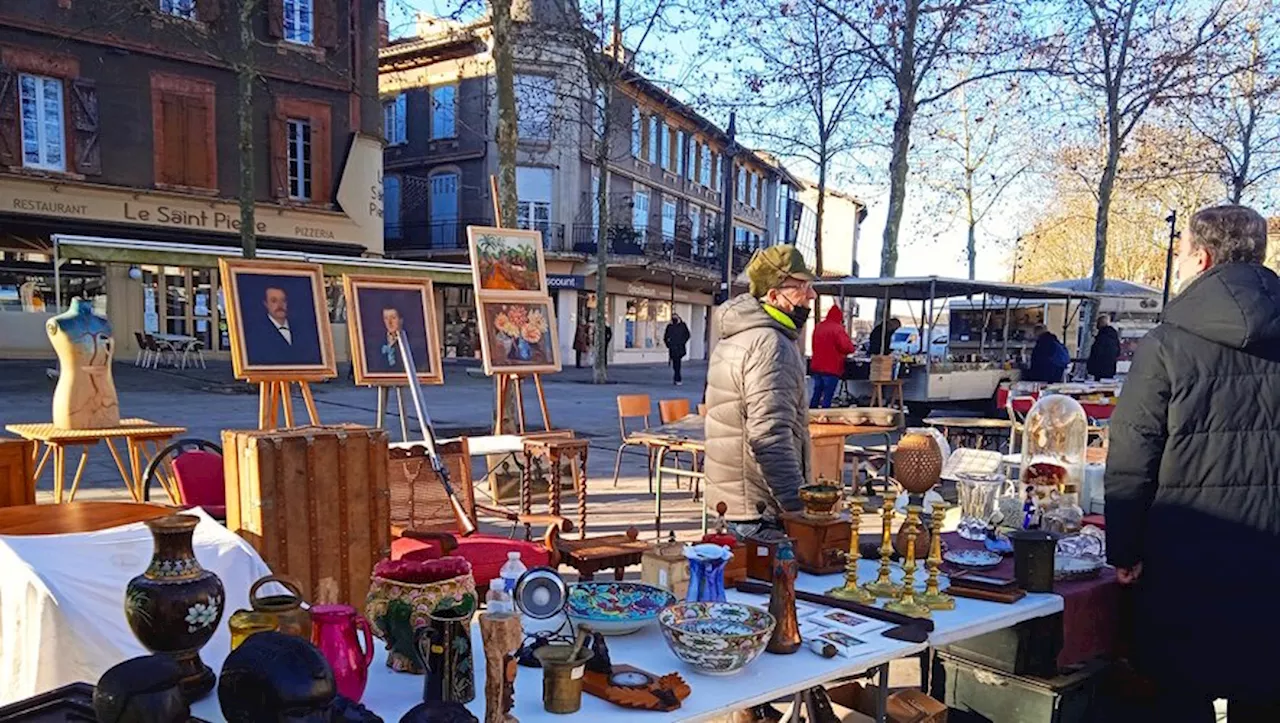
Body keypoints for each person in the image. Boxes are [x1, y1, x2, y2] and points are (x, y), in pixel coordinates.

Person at [1107, 204, 1280, 722]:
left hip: (1185, 554)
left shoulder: (1166, 341)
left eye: (1181, 254)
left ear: (1201, 258)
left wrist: (1125, 548)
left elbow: (1134, 451)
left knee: (1179, 694)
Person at [704, 245, 816, 532]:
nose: (811, 296)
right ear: (774, 295)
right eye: (801, 287)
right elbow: (769, 435)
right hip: (758, 510)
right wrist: (797, 505)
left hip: (735, 504)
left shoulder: (739, 336)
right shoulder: (770, 344)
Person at [244, 285, 321, 366]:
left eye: (283, 300)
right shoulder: (255, 334)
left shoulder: (304, 330)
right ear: (266, 304)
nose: (280, 305)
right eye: (274, 301)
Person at [809, 305, 855, 408]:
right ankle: (825, 415)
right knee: (828, 395)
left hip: (817, 365)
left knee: (817, 392)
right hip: (832, 367)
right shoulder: (837, 329)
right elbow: (846, 347)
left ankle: (811, 414)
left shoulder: (819, 326)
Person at [365, 306, 406, 373]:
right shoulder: (375, 342)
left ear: (401, 320)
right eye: (386, 318)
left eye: (393, 318)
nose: (389, 322)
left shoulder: (411, 342)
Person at [1086, 314, 1121, 380]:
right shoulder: (1114, 337)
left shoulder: (1101, 337)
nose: (1096, 325)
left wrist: (1090, 365)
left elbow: (1097, 353)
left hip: (1099, 368)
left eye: (1098, 322)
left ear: (1101, 323)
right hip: (1110, 368)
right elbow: (1118, 352)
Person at [663, 313, 691, 385]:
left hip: (679, 348)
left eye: (675, 317)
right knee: (676, 364)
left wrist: (682, 342)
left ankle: (677, 378)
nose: (674, 319)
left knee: (677, 363)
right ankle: (677, 377)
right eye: (673, 318)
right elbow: (666, 337)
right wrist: (669, 344)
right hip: (673, 348)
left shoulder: (682, 325)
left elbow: (687, 335)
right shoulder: (670, 326)